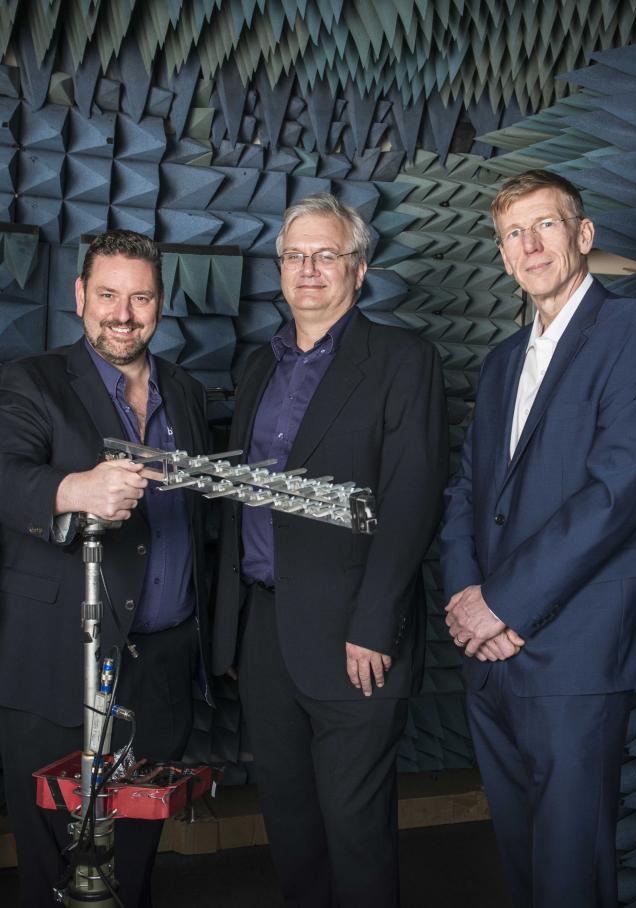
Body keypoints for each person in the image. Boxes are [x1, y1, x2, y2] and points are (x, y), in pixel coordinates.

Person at [439, 168, 636, 907]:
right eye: (514, 233)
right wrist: (463, 596)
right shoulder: (500, 363)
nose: (530, 244)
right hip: (488, 648)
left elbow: (618, 495)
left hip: (577, 647)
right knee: (522, 859)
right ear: (503, 254)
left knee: (570, 869)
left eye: (545, 225)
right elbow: (466, 491)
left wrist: (504, 606)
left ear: (582, 236)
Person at [211, 193, 448, 908]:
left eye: (326, 255)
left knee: (355, 826)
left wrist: (374, 623)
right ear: (279, 269)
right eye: (294, 256)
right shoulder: (260, 365)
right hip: (263, 630)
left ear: (360, 268)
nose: (308, 269)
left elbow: (412, 497)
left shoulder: (403, 360)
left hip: (354, 635)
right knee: (288, 819)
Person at [0, 229, 211, 908]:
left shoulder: (186, 392)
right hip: (55, 658)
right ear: (80, 296)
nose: (123, 313)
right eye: (107, 294)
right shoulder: (33, 380)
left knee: (132, 858)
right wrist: (74, 490)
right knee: (56, 857)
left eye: (140, 297)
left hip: (159, 663)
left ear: (160, 303)